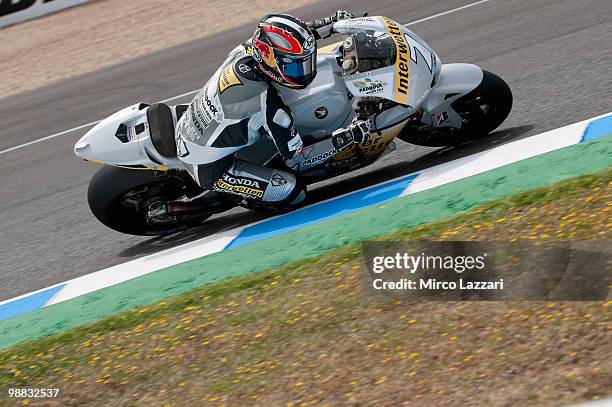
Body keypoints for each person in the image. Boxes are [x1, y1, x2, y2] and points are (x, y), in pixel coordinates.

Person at [174, 11, 372, 209]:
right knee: (294, 192)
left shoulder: (246, 50)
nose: (305, 72)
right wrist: (349, 136)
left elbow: (296, 37)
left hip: (189, 125)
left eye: (306, 62)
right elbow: (299, 161)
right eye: (295, 67)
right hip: (208, 167)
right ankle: (232, 197)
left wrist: (330, 23)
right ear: (269, 61)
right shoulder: (268, 107)